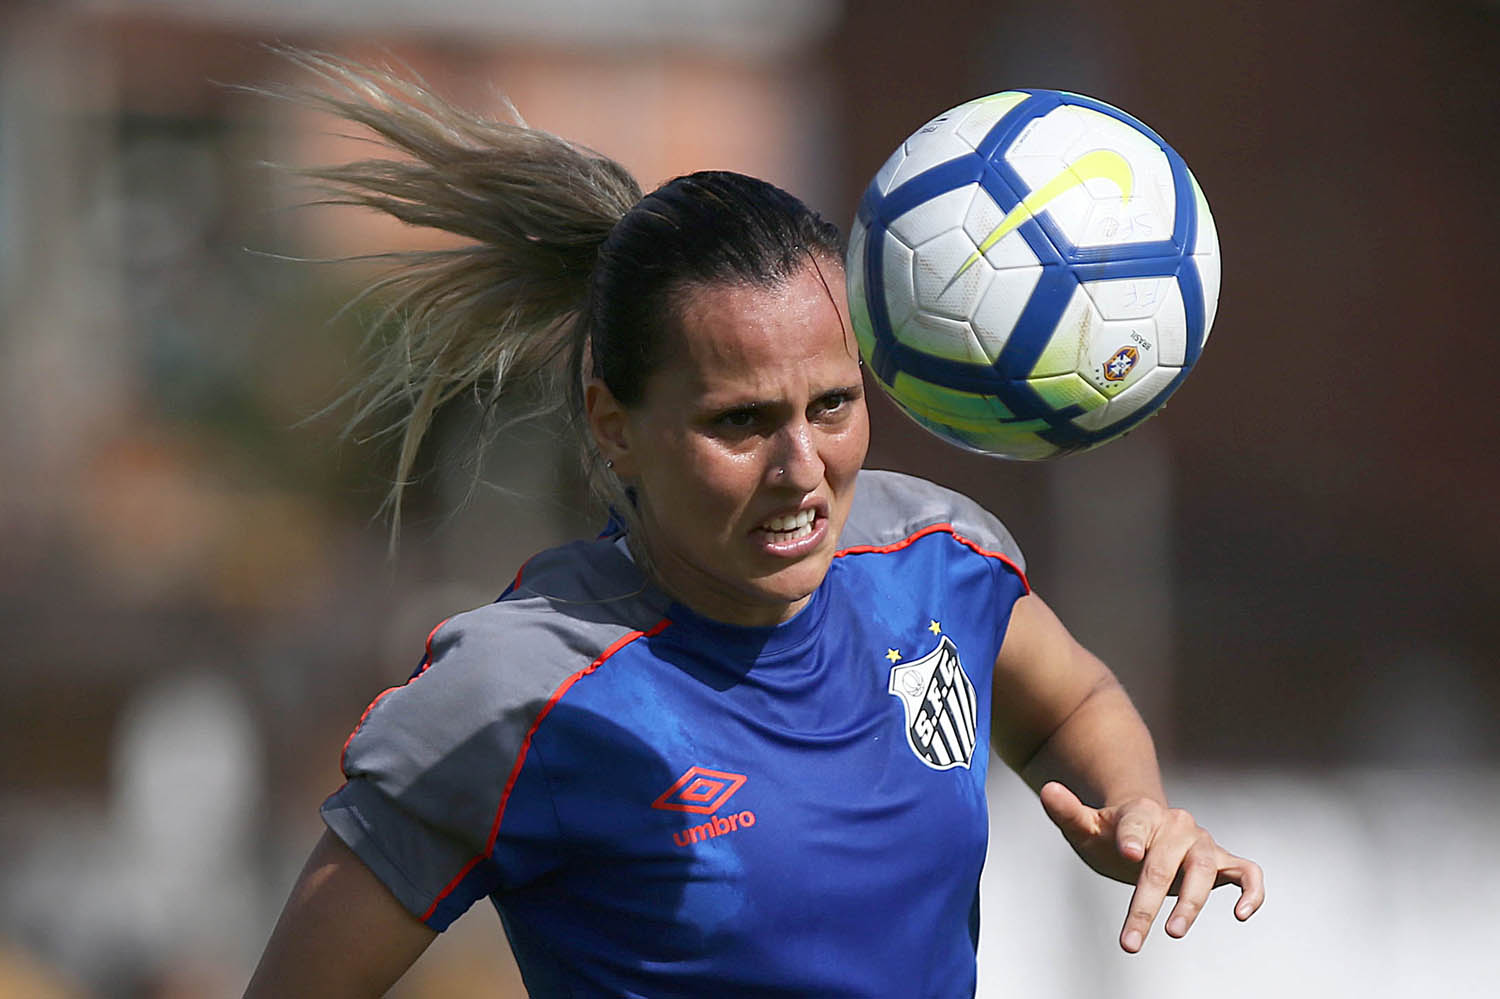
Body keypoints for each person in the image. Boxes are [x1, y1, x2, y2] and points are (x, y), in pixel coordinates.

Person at [245, 53, 1263, 998]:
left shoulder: (937, 560)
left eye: (832, 405)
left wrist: (1133, 808)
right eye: (740, 422)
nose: (801, 469)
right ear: (615, 426)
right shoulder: (517, 695)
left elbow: (1069, 702)